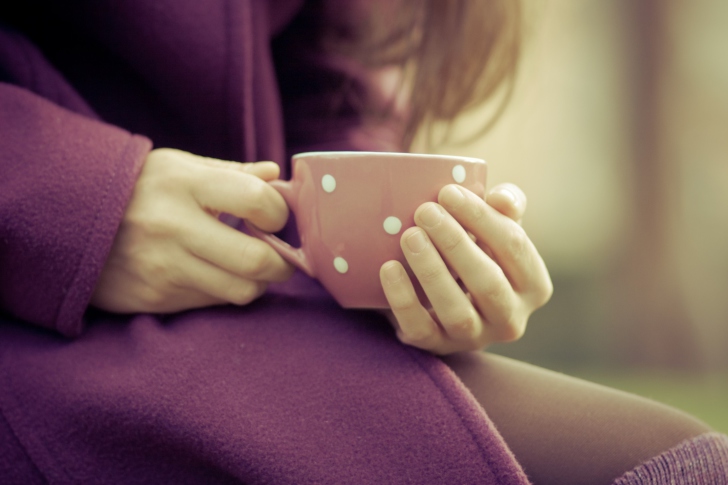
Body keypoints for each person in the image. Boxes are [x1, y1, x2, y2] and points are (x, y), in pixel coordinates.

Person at [0, 1, 725, 483]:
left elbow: (327, 68)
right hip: (35, 331)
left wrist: (396, 254)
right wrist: (74, 203)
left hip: (239, 313)